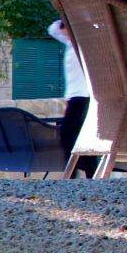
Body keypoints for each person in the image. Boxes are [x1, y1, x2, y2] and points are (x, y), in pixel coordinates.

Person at [47, 19, 96, 177]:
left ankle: (75, 173)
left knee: (69, 133)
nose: (63, 31)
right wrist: (65, 20)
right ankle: (85, 173)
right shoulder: (70, 43)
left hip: (84, 96)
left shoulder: (85, 45)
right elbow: (53, 29)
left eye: (66, 28)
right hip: (75, 96)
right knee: (76, 135)